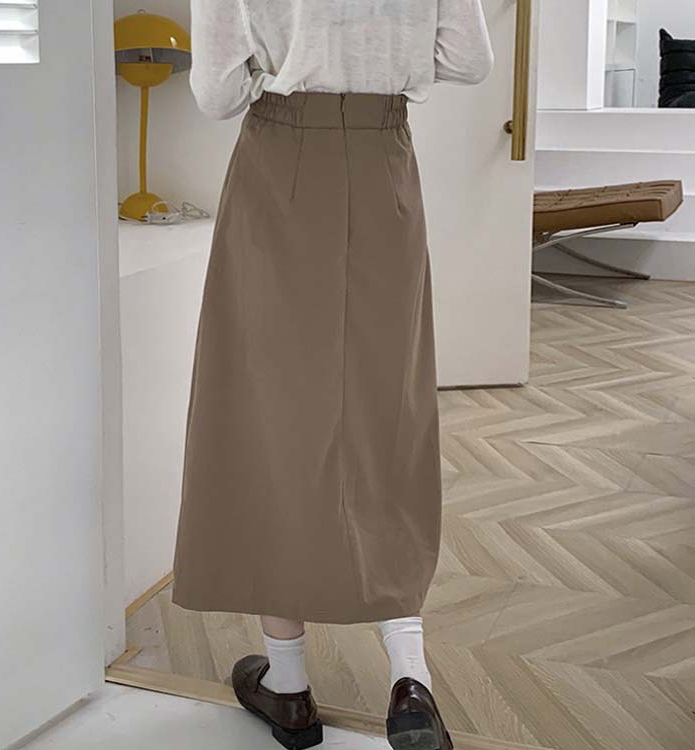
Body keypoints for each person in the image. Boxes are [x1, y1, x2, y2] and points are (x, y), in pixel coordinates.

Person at [172, 2, 493, 748]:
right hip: (383, 159)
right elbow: (470, 59)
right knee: (387, 411)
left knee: (271, 414)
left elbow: (217, 93)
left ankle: (289, 688)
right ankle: (410, 680)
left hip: (281, 163)